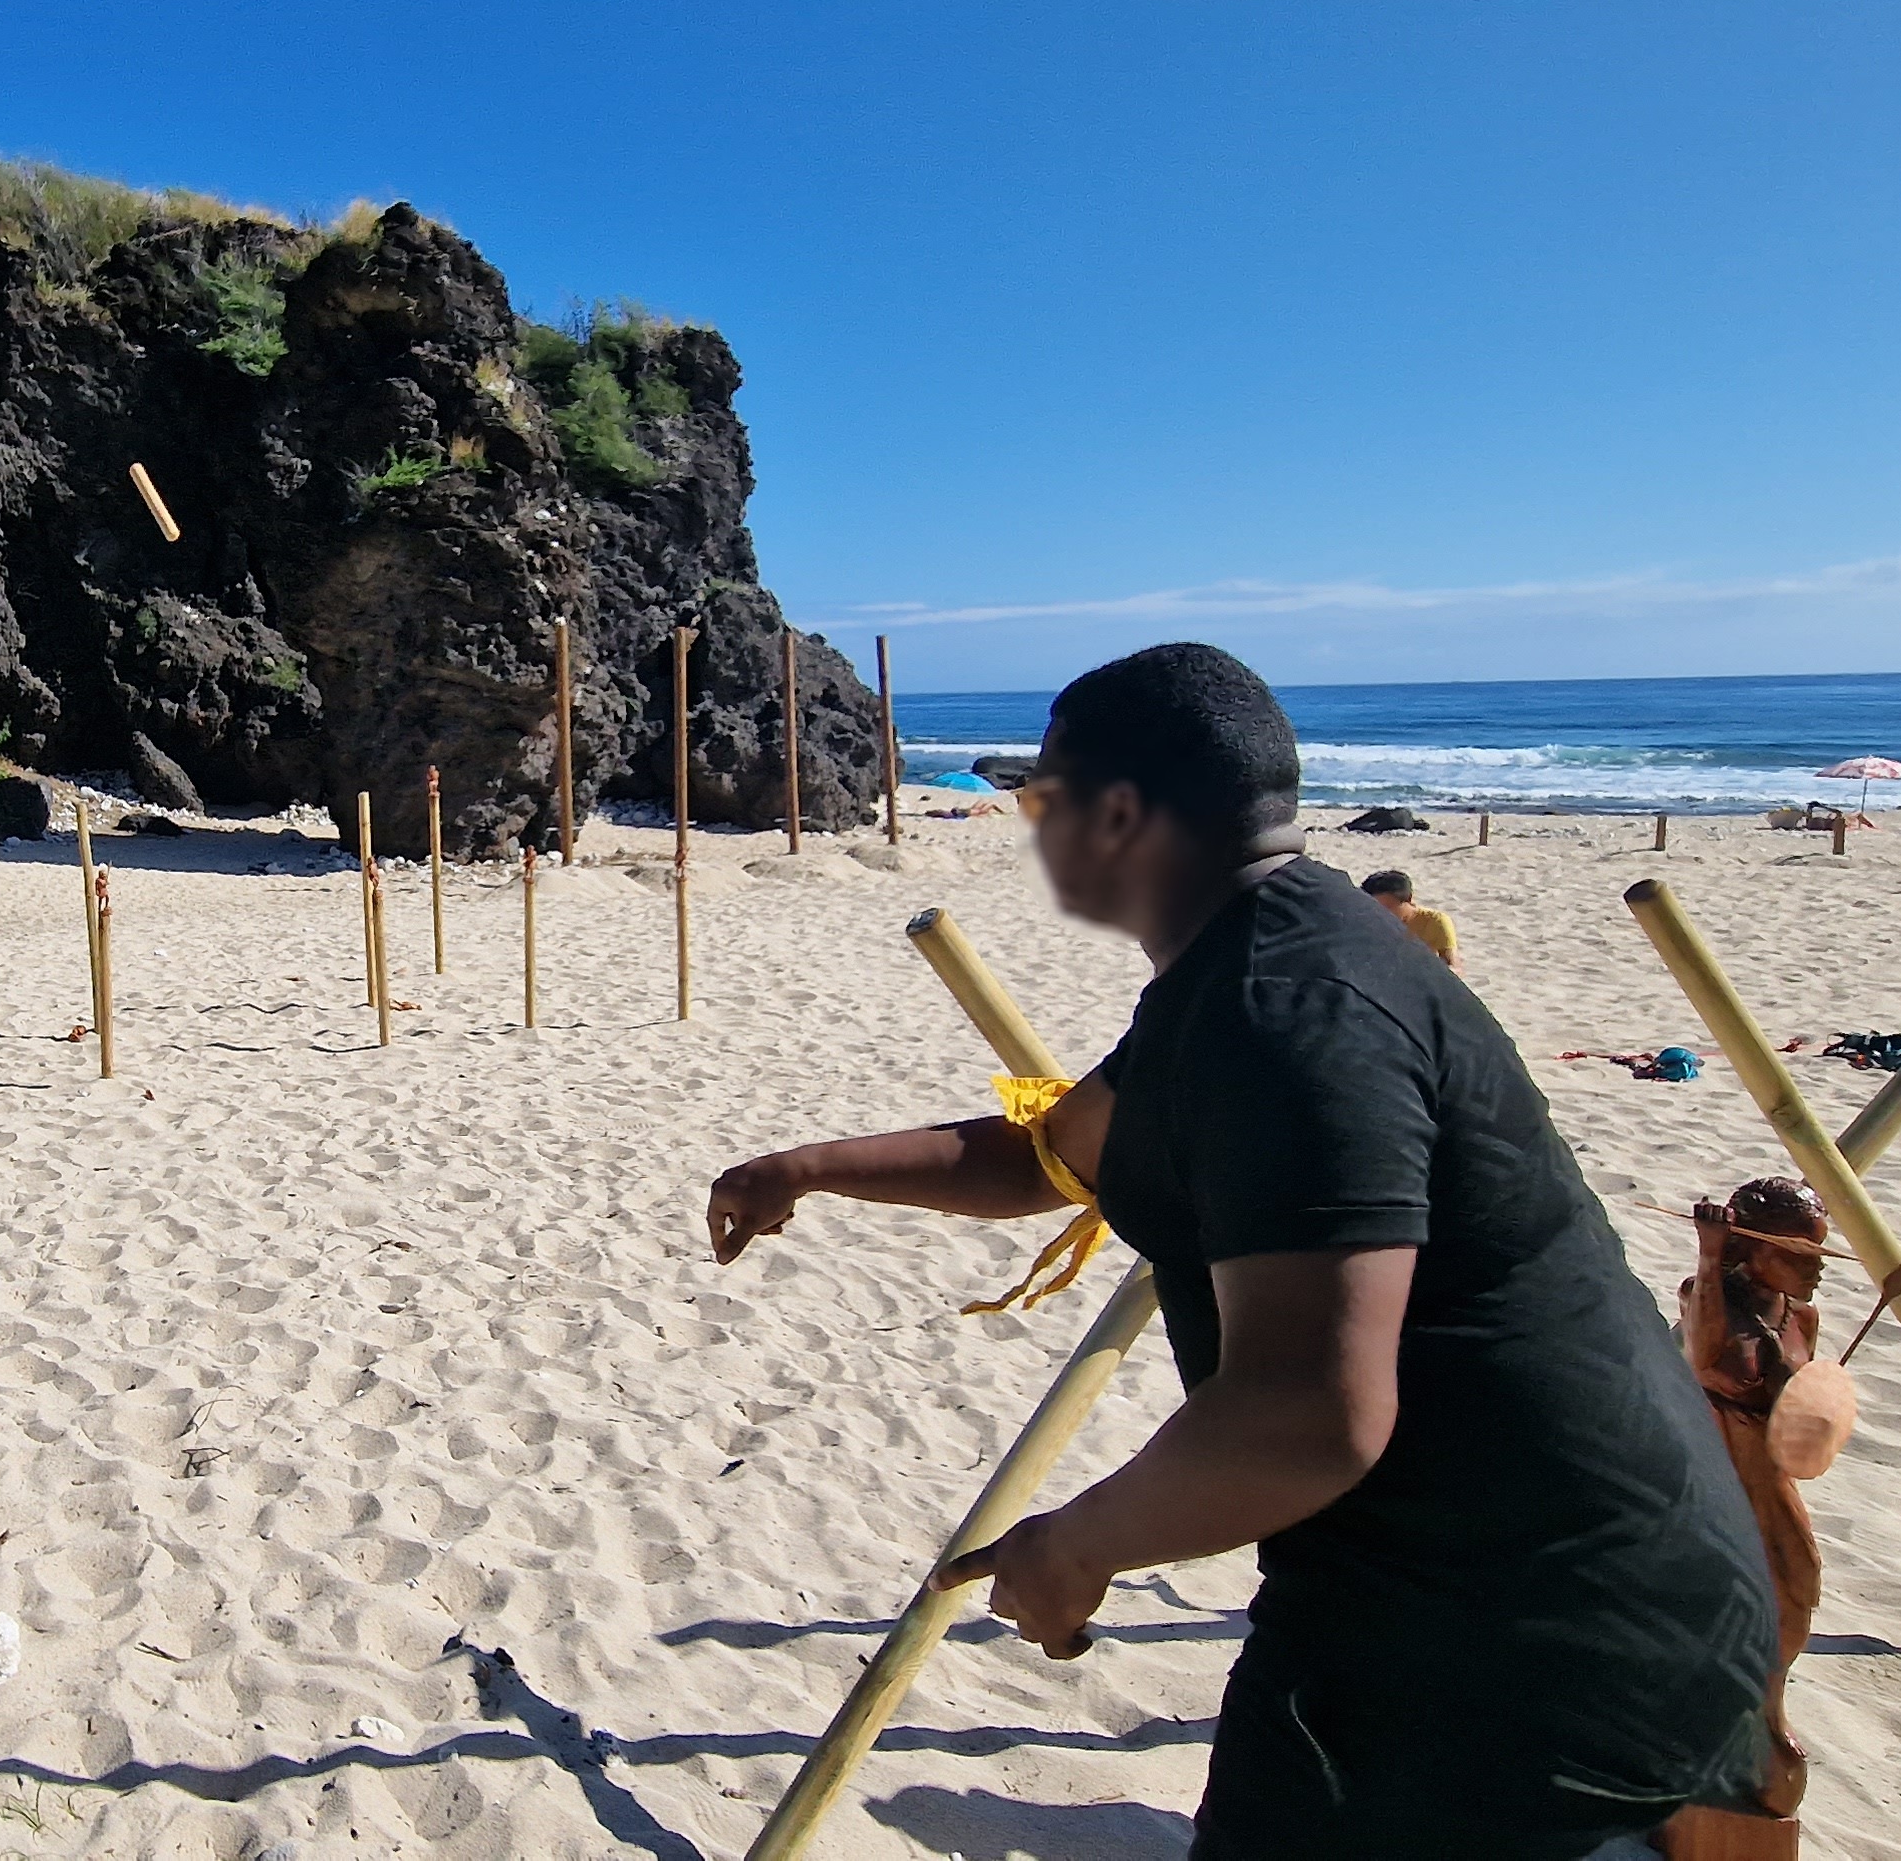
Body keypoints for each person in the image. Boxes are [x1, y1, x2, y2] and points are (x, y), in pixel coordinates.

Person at [706, 643, 1772, 1859]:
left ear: (1117, 817)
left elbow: (1309, 1411)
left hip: (1528, 1627)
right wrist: (799, 1168)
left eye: (1042, 804)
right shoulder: (1242, 966)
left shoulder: (1288, 1008)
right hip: (1456, 1577)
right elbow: (1054, 1153)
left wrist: (1075, 1546)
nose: (1032, 835)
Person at [1358, 868, 1459, 968]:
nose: (1380, 913)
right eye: (1374, 907)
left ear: (1408, 899)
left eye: (1388, 907)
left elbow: (1453, 968)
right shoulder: (1367, 921)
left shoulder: (1434, 922)